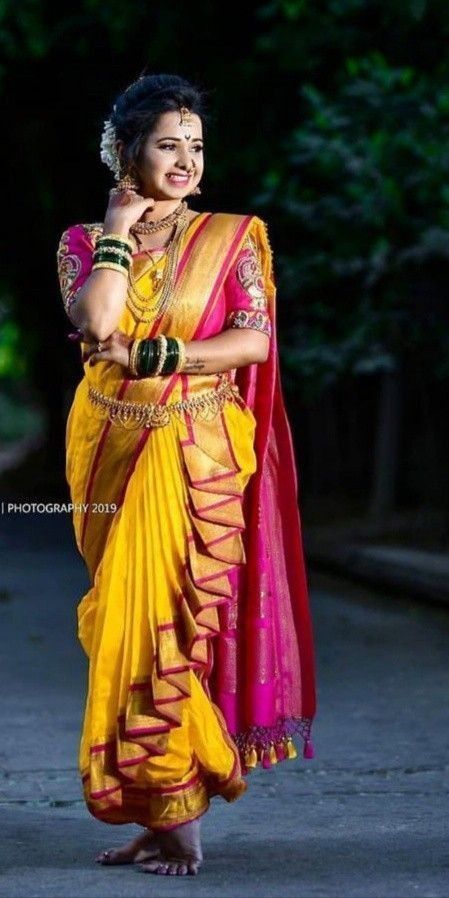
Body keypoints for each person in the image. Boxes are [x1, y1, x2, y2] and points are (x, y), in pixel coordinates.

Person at [56, 72, 317, 877]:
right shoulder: (80, 241)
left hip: (195, 449)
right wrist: (115, 232)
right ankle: (147, 810)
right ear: (125, 151)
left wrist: (152, 355)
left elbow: (251, 343)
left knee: (168, 626)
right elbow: (94, 322)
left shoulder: (234, 239)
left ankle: (180, 810)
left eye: (195, 146)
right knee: (121, 623)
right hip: (107, 443)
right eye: (168, 144)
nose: (186, 160)